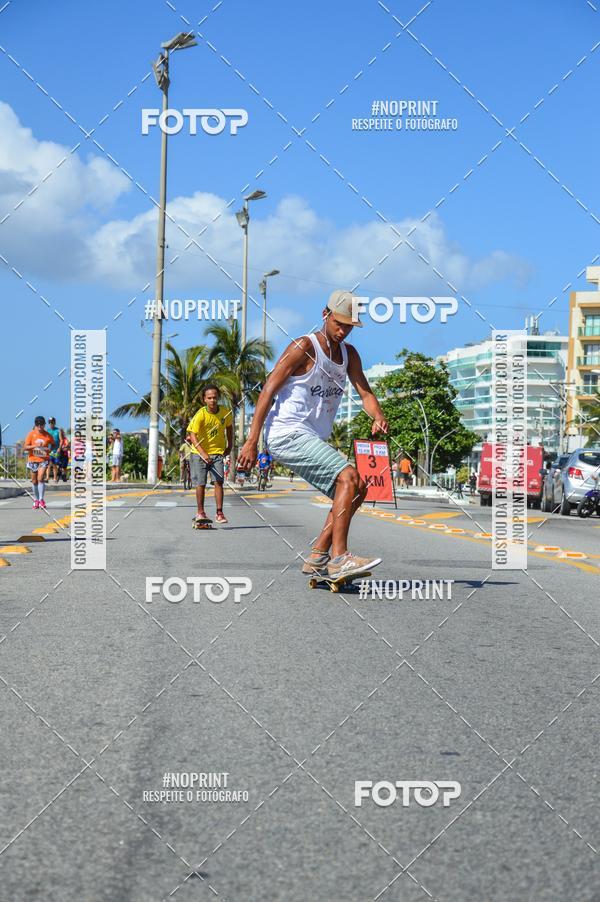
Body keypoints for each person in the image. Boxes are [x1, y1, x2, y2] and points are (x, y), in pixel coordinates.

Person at [238, 289, 388, 580]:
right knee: (349, 477)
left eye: (349, 326)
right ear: (325, 315)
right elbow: (268, 390)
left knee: (359, 489)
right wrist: (252, 440)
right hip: (286, 432)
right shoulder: (303, 347)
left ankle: (318, 555)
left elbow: (365, 393)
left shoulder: (349, 355)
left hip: (310, 437)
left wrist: (378, 415)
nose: (343, 331)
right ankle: (339, 558)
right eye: (338, 324)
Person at [187, 385, 232, 524]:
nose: (212, 400)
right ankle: (200, 512)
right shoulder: (201, 414)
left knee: (218, 482)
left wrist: (230, 445)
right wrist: (202, 453)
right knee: (200, 483)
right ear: (204, 399)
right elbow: (192, 435)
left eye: (215, 397)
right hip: (199, 454)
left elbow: (229, 428)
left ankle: (219, 513)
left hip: (217, 452)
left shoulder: (225, 412)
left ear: (218, 398)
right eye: (209, 398)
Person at [23, 416, 54, 509]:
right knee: (34, 481)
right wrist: (35, 446)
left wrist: (49, 450)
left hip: (43, 459)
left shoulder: (47, 435)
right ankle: (36, 500)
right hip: (33, 460)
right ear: (35, 425)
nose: (39, 426)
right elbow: (25, 447)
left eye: (41, 425)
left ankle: (41, 500)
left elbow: (53, 444)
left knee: (40, 478)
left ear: (44, 424)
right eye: (38, 425)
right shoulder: (31, 434)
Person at [47, 417, 61, 483]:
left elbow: (61, 440)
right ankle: (47, 477)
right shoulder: (47, 431)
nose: (51, 423)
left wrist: (59, 448)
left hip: (56, 450)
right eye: (49, 422)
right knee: (49, 464)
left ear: (54, 423)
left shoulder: (58, 430)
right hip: (49, 450)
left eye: (52, 422)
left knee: (55, 464)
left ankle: (55, 478)